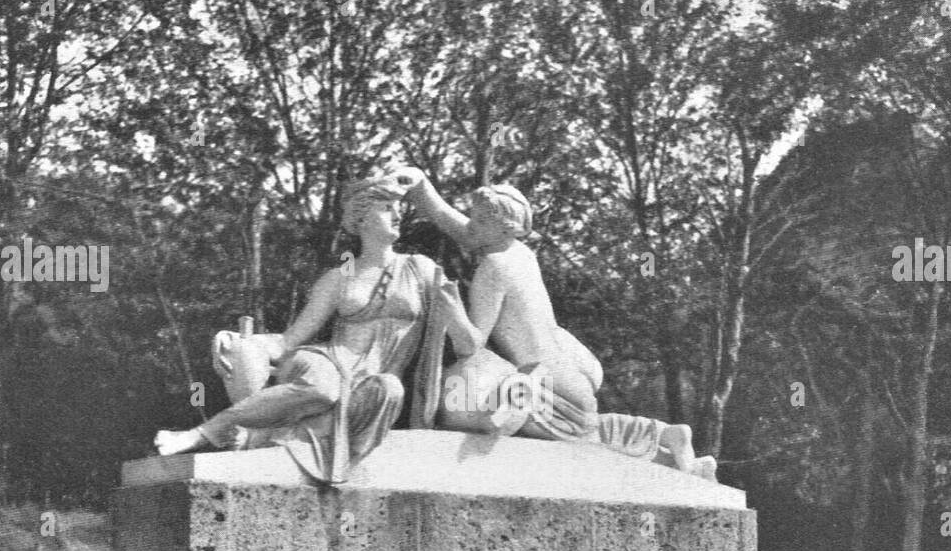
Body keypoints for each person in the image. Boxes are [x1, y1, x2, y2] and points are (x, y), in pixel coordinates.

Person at [153, 176, 479, 482]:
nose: (398, 216)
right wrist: (241, 341)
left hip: (373, 379)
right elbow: (289, 340)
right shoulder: (338, 279)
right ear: (361, 218)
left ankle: (261, 437)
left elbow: (468, 345)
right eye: (387, 208)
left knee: (389, 390)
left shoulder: (421, 268)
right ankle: (200, 433)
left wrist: (455, 316)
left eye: (400, 208)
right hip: (329, 361)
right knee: (325, 388)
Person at [396, 168, 716, 479]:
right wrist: (422, 189)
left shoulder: (493, 267)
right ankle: (671, 447)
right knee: (584, 428)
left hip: (548, 378)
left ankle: (662, 435)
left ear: (505, 228)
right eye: (474, 217)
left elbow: (470, 344)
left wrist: (451, 310)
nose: (472, 226)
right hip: (570, 368)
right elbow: (465, 232)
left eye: (481, 220)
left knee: (580, 430)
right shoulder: (519, 252)